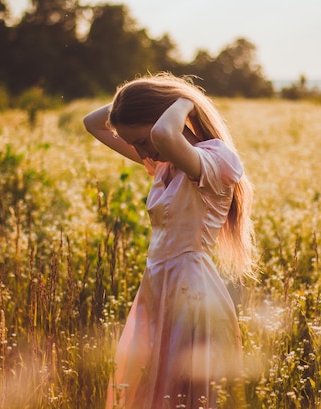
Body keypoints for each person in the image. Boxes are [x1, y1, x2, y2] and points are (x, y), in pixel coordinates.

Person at [83, 73, 255, 409]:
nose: (141, 151)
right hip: (158, 289)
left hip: (191, 293)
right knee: (153, 389)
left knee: (184, 394)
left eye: (141, 140)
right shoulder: (165, 163)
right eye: (135, 143)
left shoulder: (212, 159)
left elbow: (163, 133)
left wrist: (186, 99)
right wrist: (132, 103)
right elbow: (93, 123)